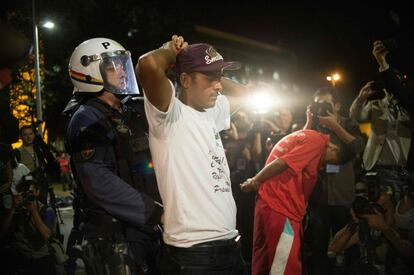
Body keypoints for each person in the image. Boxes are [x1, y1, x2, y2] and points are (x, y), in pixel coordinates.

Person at [137, 34, 249, 274]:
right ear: (185, 80)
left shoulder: (212, 111)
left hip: (230, 247)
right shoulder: (168, 115)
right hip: (194, 256)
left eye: (219, 77)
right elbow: (148, 65)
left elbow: (246, 93)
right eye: (209, 78)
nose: (218, 85)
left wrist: (213, 71)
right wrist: (171, 51)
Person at [64, 38, 163, 274]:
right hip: (113, 236)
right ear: (88, 73)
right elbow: (99, 182)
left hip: (145, 228)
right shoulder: (86, 118)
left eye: (121, 64)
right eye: (111, 67)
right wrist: (156, 212)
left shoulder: (130, 111)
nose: (121, 71)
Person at [240, 117, 346, 275]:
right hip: (282, 208)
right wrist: (254, 180)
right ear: (332, 147)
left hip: (267, 203)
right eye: (329, 160)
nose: (323, 165)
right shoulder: (317, 143)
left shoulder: (305, 135)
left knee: (263, 261)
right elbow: (282, 162)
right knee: (284, 265)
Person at [306, 87, 365, 275]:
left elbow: (360, 147)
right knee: (319, 247)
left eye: (326, 103)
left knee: (347, 245)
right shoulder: (313, 126)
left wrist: (335, 126)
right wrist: (309, 121)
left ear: (337, 105)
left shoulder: (348, 124)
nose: (322, 108)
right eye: (318, 104)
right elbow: (298, 144)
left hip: (343, 196)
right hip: (319, 197)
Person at [4, 178, 58, 275]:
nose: (28, 196)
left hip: (40, 256)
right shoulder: (17, 211)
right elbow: (3, 233)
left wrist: (34, 212)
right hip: (21, 255)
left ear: (37, 192)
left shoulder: (46, 211)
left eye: (31, 192)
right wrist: (12, 209)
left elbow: (47, 236)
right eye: (24, 193)